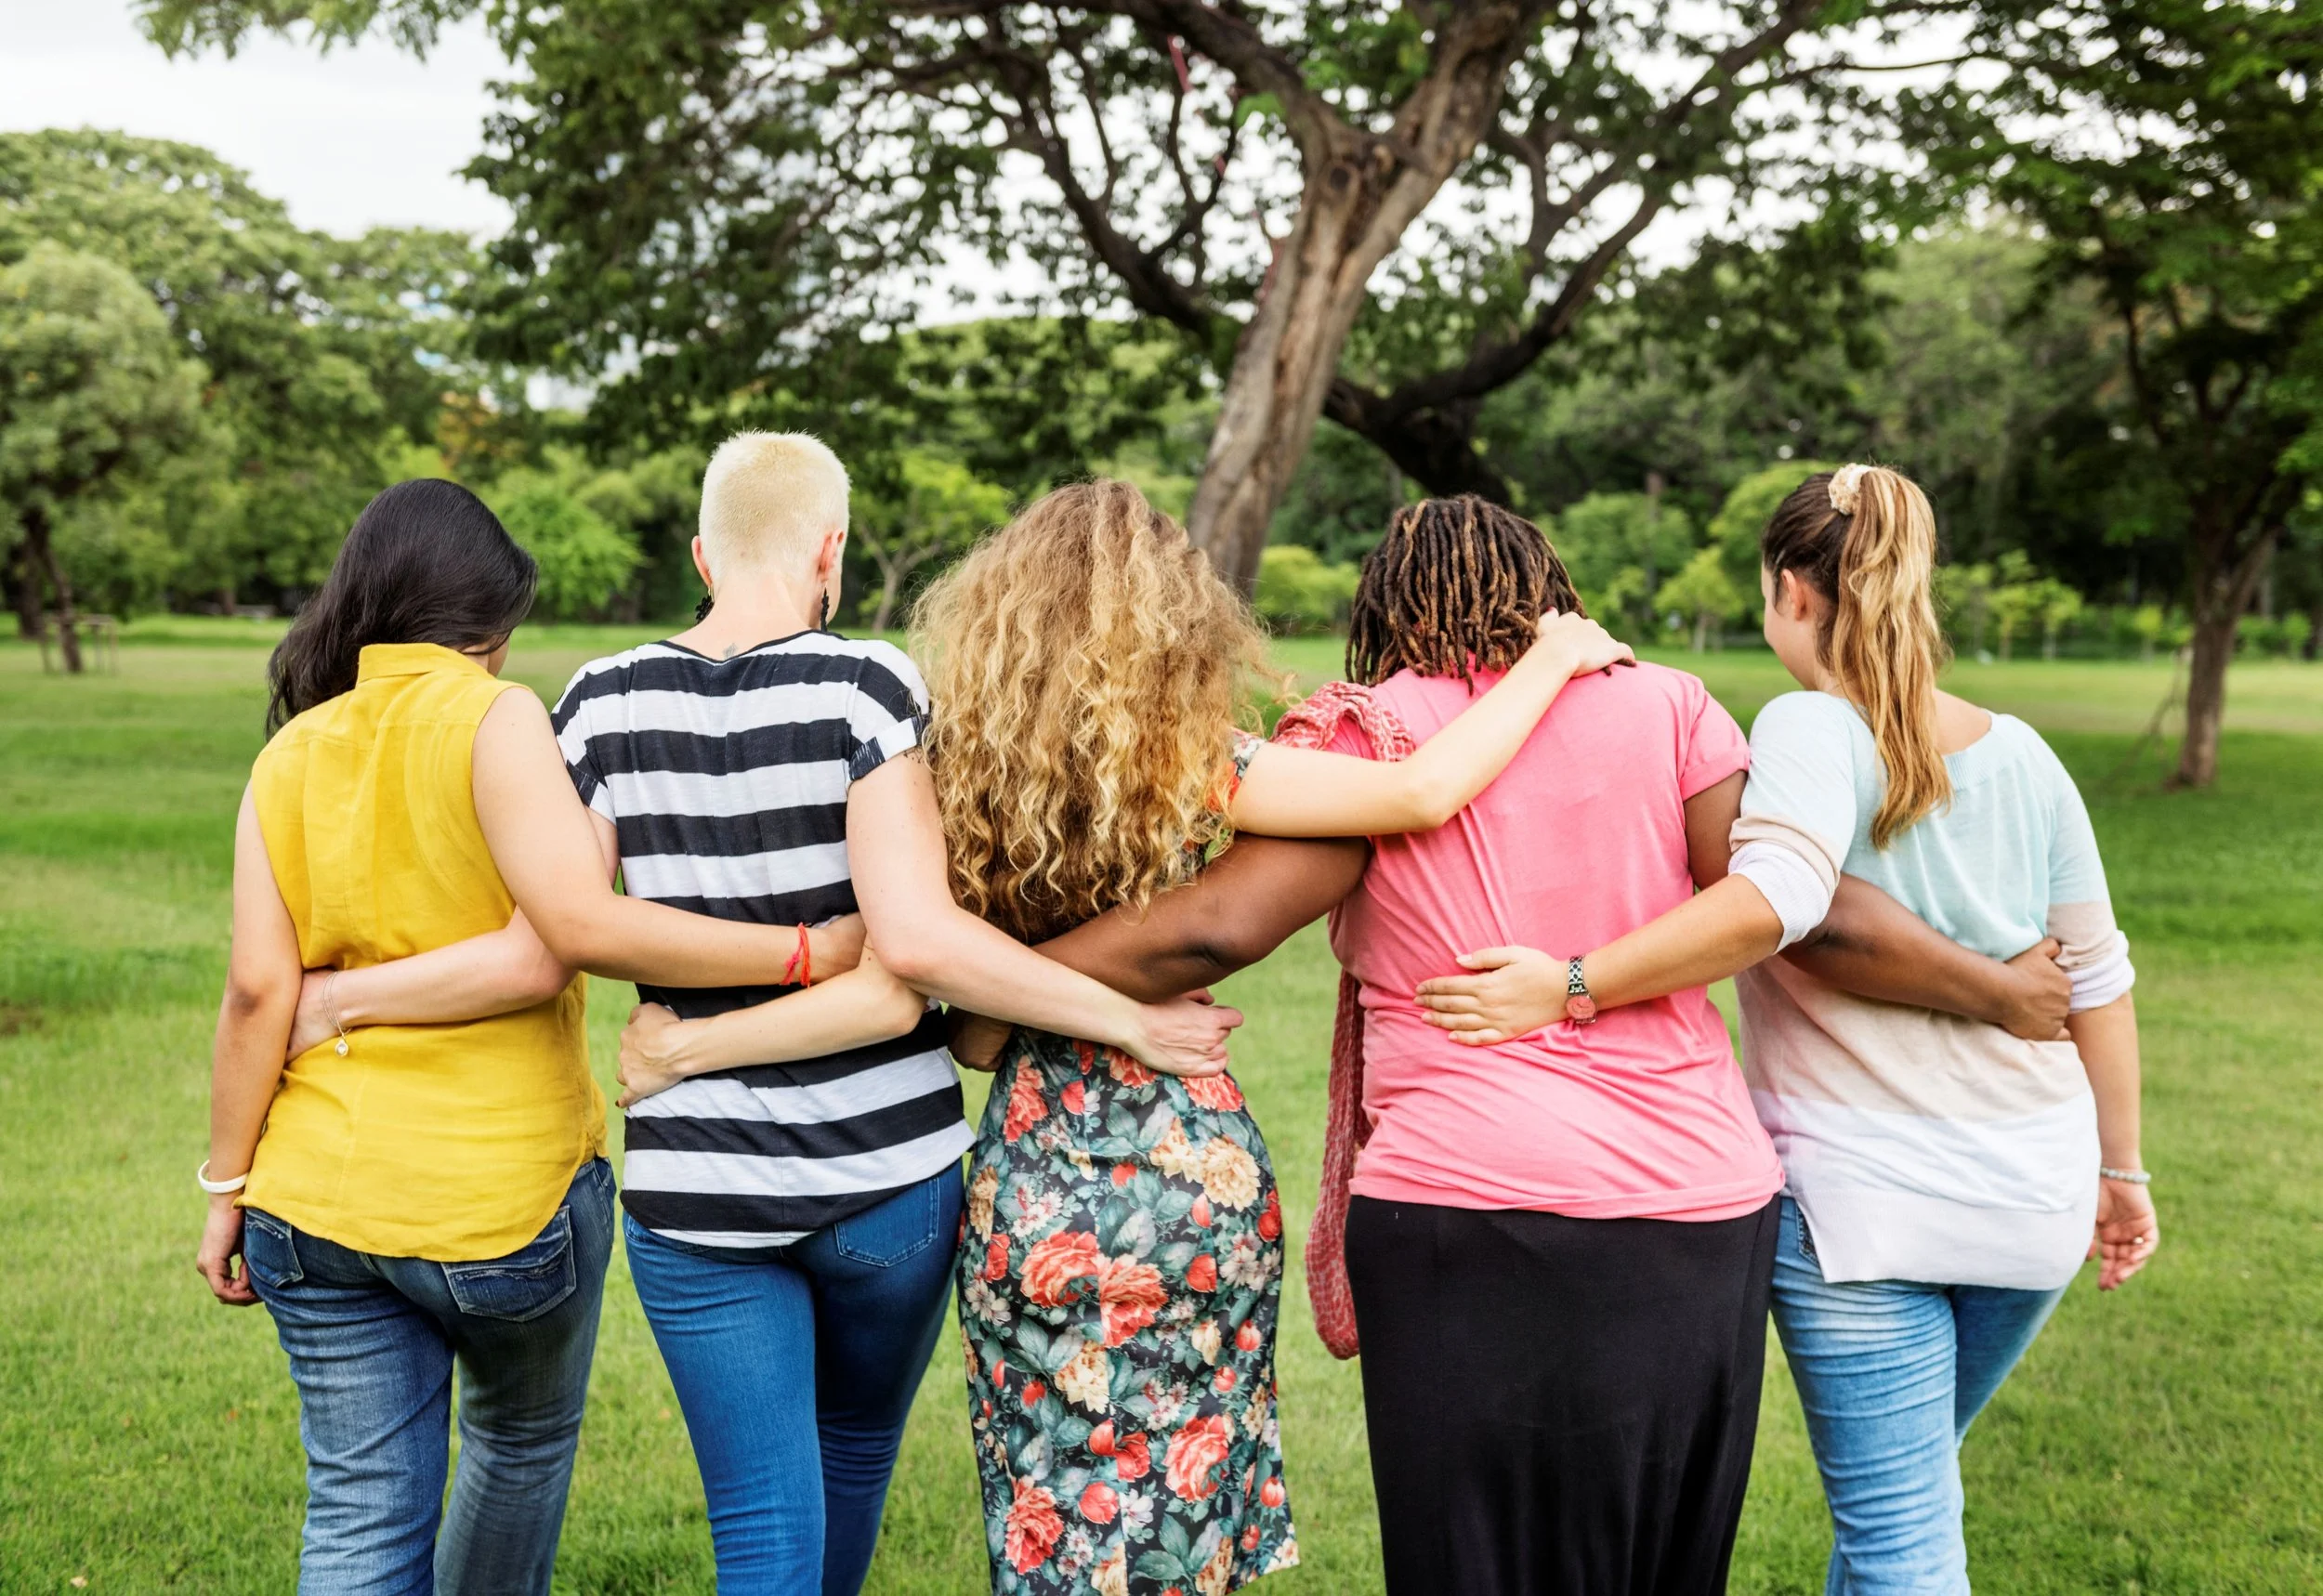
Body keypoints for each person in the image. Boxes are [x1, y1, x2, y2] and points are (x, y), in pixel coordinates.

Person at [627, 477, 1639, 1594]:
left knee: (1059, 1521)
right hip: (1188, 1171)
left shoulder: (953, 772)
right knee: (1182, 1528)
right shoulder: (1190, 759)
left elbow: (964, 1037)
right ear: (1178, 613)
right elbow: (1416, 791)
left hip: (1032, 1184)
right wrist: (1549, 659)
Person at [276, 438, 1244, 1596]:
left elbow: (567, 927)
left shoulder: (595, 699)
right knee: (851, 1456)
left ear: (700, 552)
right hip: (890, 1174)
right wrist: (1128, 1021)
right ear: (830, 550)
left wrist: (340, 996)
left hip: (699, 1187)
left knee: (759, 1527)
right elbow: (917, 945)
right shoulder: (869, 686)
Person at [1419, 465, 2157, 1594]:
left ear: (1788, 591)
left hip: (1860, 1211)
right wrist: (2122, 1170)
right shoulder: (2026, 755)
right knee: (1904, 1510)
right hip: (2033, 1198)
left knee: (1901, 1539)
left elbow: (1781, 900)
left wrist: (1571, 980)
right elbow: (2098, 982)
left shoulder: (1809, 722)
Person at [195, 478, 921, 1596]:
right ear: (488, 620)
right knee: (518, 1442)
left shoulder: (288, 752)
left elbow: (255, 992)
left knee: (356, 1507)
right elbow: (560, 938)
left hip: (309, 1194)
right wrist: (799, 951)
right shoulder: (498, 718)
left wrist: (227, 1182)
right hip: (502, 1200)